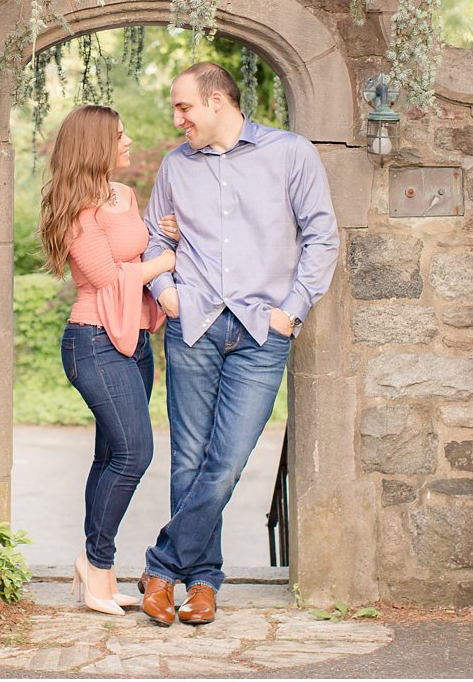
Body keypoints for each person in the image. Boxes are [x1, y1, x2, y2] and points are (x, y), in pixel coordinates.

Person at [138, 62, 340, 626]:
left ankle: (161, 567)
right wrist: (165, 291)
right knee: (188, 458)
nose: (178, 120)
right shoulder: (177, 165)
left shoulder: (290, 153)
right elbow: (157, 232)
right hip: (194, 324)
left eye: (184, 108)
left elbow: (322, 236)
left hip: (261, 330)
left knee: (225, 462)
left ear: (218, 102)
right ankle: (201, 583)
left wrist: (291, 311)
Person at [38, 104, 176, 615]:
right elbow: (108, 278)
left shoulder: (124, 195)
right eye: (119, 136)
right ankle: (97, 564)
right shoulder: (75, 207)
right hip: (93, 341)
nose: (128, 141)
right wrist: (163, 262)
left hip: (135, 341)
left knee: (109, 457)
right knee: (134, 454)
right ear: (95, 144)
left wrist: (166, 234)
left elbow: (136, 252)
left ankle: (97, 570)